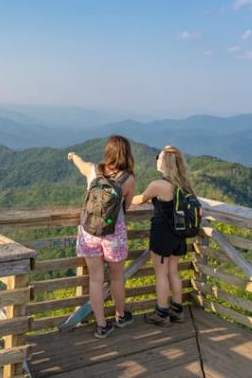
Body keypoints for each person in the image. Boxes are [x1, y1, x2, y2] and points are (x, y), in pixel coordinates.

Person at [67, 135, 135, 338]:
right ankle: (121, 316)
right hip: (115, 233)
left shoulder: (93, 170)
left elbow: (81, 164)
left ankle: (101, 325)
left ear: (108, 152)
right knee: (116, 277)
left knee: (96, 280)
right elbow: (128, 206)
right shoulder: (128, 179)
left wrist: (73, 156)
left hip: (90, 232)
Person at [132, 145, 193, 326]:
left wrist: (123, 195)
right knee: (173, 272)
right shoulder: (184, 184)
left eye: (158, 157)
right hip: (178, 235)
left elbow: (139, 199)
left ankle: (161, 313)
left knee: (161, 274)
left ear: (165, 162)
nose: (156, 159)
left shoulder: (158, 185)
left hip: (162, 235)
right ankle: (177, 310)